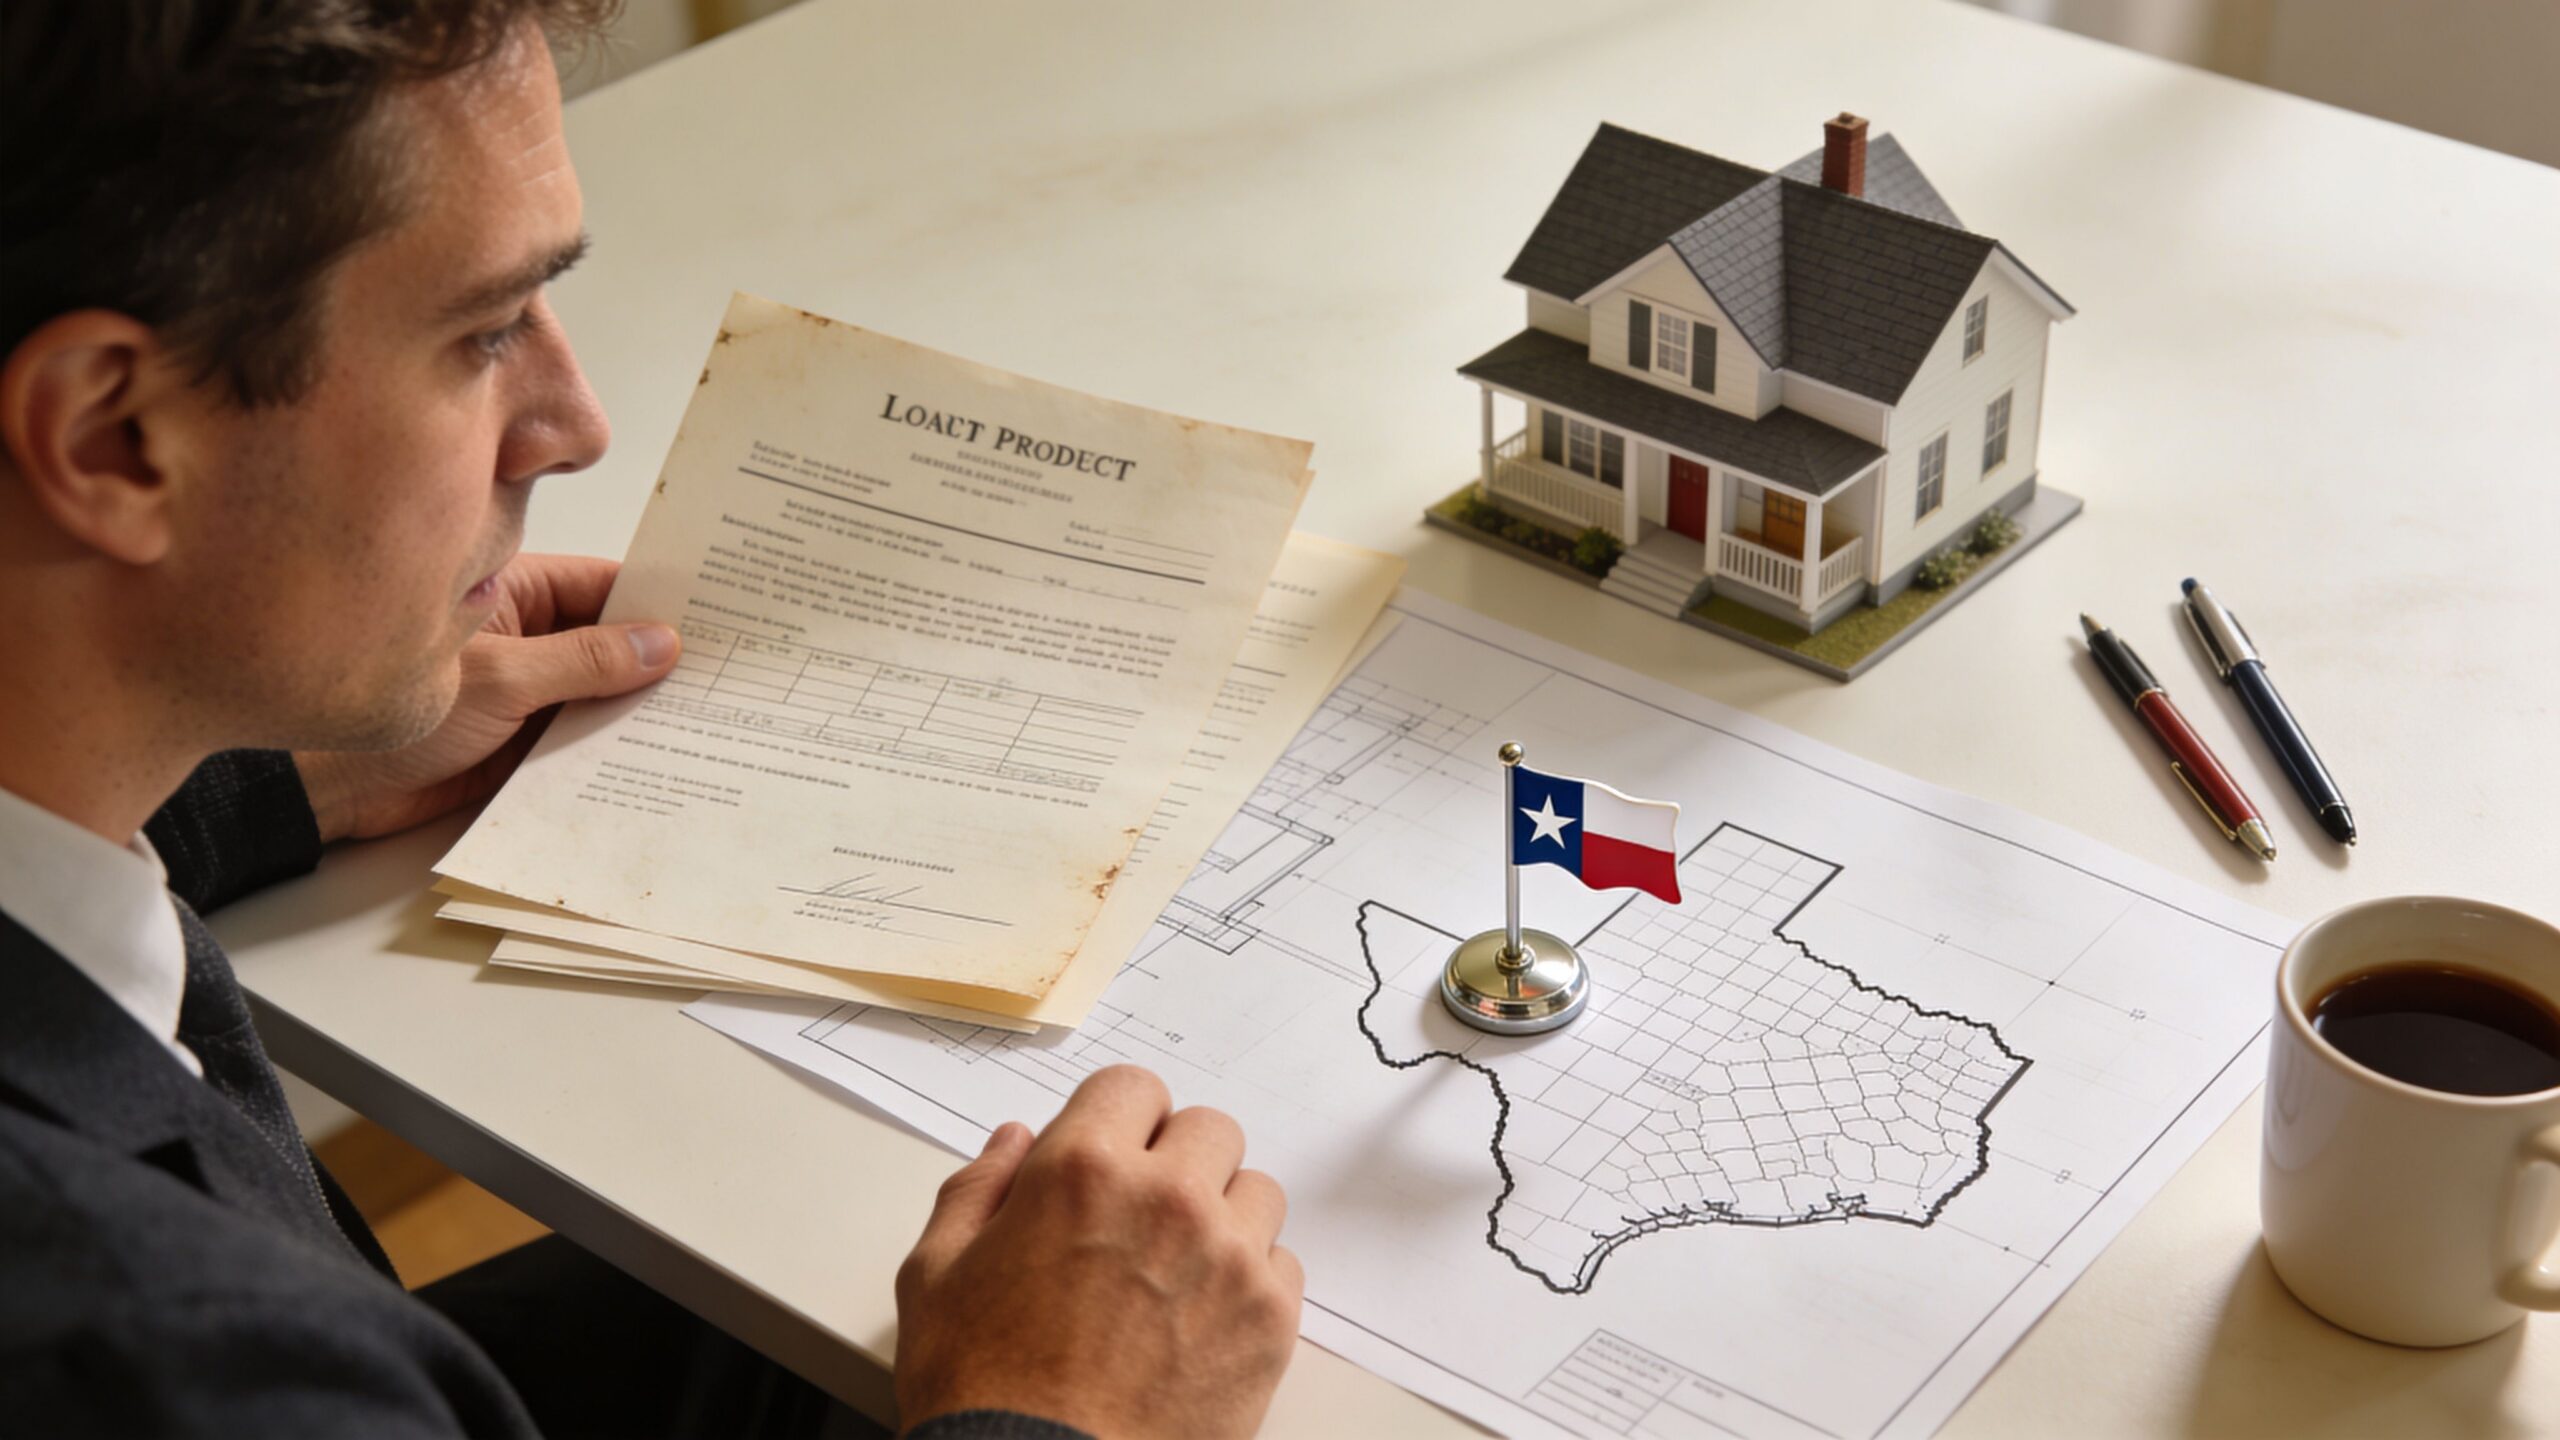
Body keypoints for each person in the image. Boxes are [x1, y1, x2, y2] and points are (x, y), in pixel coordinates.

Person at [0, 3, 1303, 1436]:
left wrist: (272, 776)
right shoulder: (169, 1361)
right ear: (110, 437)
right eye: (486, 330)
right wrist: (1058, 1417)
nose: (573, 419)